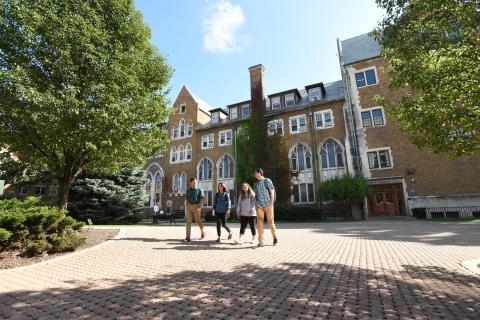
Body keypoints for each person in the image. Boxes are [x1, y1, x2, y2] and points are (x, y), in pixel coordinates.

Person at [253, 168, 277, 247]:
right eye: (254, 173)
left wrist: (271, 202)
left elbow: (272, 191)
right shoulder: (255, 184)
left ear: (260, 173)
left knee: (270, 222)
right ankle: (261, 241)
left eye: (256, 173)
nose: (255, 174)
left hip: (268, 204)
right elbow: (255, 195)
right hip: (259, 205)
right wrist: (255, 202)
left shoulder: (267, 180)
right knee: (259, 222)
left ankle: (275, 238)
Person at [185, 178, 206, 242]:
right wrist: (186, 207)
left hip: (196, 206)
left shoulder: (199, 190)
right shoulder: (188, 191)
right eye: (193, 182)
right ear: (191, 183)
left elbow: (201, 199)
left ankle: (203, 232)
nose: (195, 183)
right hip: (189, 206)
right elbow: (186, 200)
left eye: (195, 182)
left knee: (198, 221)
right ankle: (188, 237)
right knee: (188, 221)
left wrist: (200, 207)